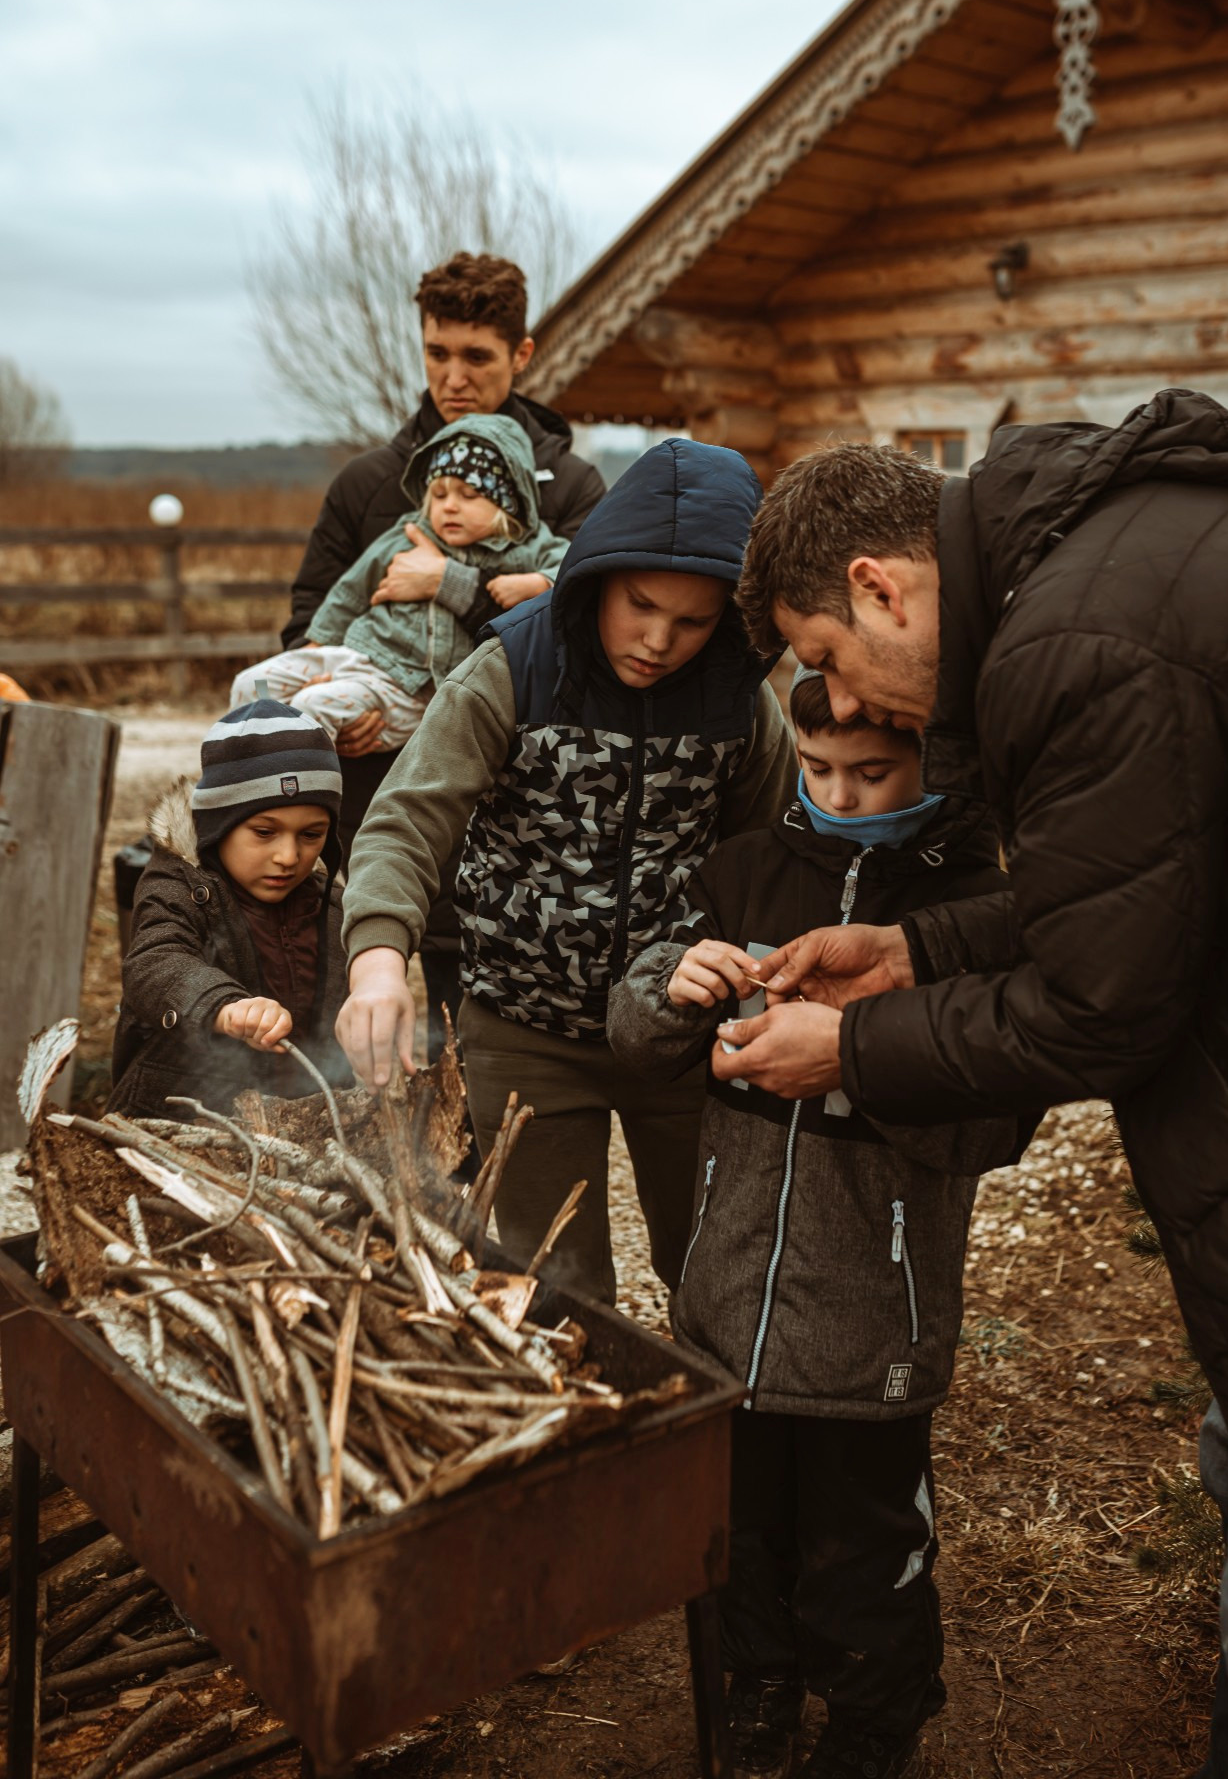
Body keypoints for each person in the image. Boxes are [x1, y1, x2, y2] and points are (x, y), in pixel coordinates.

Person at [714, 394, 1228, 1779]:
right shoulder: (1104, 565)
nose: (854, 705)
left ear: (879, 587)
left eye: (830, 658)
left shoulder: (1070, 637)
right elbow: (1138, 882)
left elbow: (1101, 1005)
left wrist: (850, 1051)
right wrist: (910, 946)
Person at [607, 668, 1028, 1779]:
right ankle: (760, 1682)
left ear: (938, 758)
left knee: (865, 1543)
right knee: (742, 1529)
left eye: (875, 773)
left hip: (868, 1325)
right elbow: (638, 1036)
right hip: (728, 1304)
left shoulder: (973, 907)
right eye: (820, 770)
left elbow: (993, 1118)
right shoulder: (746, 868)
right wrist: (671, 986)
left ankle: (875, 1711)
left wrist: (863, 1050)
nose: (841, 794)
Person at [335, 438, 797, 1305]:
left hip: (682, 1032)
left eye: (693, 622)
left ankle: (723, 1435)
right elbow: (405, 819)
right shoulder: (513, 667)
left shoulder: (741, 698)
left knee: (712, 1269)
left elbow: (771, 854)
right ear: (598, 578)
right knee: (558, 1288)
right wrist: (377, 962)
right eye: (640, 606)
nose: (657, 642)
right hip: (523, 1032)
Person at [283, 251, 607, 1047]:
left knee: (481, 1038)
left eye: (477, 356)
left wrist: (453, 586)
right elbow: (306, 623)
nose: (452, 376)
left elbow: (589, 635)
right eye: (436, 353)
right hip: (371, 793)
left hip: (510, 809)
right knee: (365, 1027)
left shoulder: (569, 490)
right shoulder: (370, 485)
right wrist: (342, 700)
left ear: (521, 355)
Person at [231, 415, 567, 747]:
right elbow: (352, 591)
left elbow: (569, 570)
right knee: (251, 683)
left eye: (468, 495)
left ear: (507, 501)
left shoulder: (529, 548)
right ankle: (248, 779)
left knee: (314, 706)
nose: (449, 507)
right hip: (357, 655)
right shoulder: (410, 534)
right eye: (438, 495)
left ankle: (299, 794)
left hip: (413, 691)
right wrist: (317, 646)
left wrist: (538, 582)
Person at [106, 700, 349, 1120]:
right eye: (264, 832)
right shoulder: (178, 886)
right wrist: (224, 1007)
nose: (288, 856)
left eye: (311, 835)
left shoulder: (331, 904)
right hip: (184, 1116)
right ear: (219, 823)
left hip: (305, 1116)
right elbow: (153, 962)